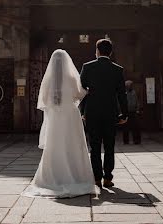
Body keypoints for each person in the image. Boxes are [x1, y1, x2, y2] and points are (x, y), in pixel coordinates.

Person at [24, 49, 96, 198]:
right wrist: (86, 91)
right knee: (72, 144)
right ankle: (76, 177)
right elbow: (79, 94)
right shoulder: (71, 76)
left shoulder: (48, 79)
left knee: (55, 145)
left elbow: (43, 99)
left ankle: (52, 177)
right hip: (70, 115)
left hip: (55, 117)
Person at [80, 38, 128, 188]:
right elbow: (122, 94)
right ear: (111, 52)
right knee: (109, 146)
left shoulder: (87, 67)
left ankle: (96, 178)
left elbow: (81, 91)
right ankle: (108, 178)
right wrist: (124, 114)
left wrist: (82, 111)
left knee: (94, 147)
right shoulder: (117, 69)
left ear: (97, 51)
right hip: (110, 113)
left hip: (92, 113)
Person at [122, 80, 141, 145]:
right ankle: (126, 141)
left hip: (133, 111)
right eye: (128, 85)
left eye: (130, 85)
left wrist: (137, 109)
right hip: (126, 112)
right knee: (125, 127)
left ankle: (136, 140)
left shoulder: (134, 92)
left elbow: (137, 101)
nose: (129, 86)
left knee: (135, 127)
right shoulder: (124, 93)